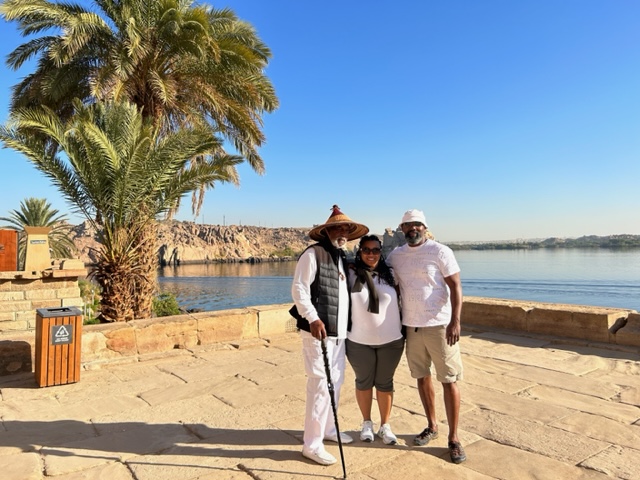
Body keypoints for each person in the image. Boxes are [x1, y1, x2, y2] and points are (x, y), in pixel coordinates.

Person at [386, 209, 466, 464]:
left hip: (440, 325)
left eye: (417, 225)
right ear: (402, 229)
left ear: (424, 227)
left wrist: (455, 321)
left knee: (449, 380)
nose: (413, 229)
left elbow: (456, 286)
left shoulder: (440, 251)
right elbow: (390, 285)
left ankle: (454, 438)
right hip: (412, 326)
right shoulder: (395, 256)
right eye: (408, 225)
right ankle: (432, 426)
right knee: (421, 377)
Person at [291, 205, 369, 466]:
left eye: (346, 228)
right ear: (326, 231)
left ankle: (327, 429)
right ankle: (311, 445)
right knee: (320, 386)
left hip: (339, 334)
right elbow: (300, 289)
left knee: (336, 382)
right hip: (319, 333)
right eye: (338, 227)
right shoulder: (313, 255)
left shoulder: (339, 257)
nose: (343, 232)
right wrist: (312, 318)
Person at [346, 235, 404, 445]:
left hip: (392, 341)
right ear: (360, 252)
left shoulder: (392, 275)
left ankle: (385, 426)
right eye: (366, 250)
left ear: (381, 252)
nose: (371, 254)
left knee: (385, 383)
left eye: (375, 250)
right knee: (363, 382)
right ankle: (366, 423)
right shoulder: (350, 273)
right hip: (359, 341)